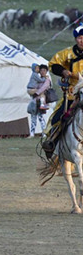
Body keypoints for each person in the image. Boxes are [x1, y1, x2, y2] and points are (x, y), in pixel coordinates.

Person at [41, 25, 83, 158]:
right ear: (76, 39)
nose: (82, 40)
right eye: (80, 38)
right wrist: (63, 71)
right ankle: (52, 143)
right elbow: (53, 64)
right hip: (72, 95)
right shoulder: (68, 53)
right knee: (58, 118)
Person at [26, 63, 51, 137]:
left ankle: (44, 133)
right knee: (33, 117)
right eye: (41, 70)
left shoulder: (47, 80)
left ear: (46, 71)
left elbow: (44, 88)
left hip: (41, 101)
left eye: (44, 70)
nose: (42, 72)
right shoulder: (39, 79)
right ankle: (32, 133)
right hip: (35, 100)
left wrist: (36, 93)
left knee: (40, 117)